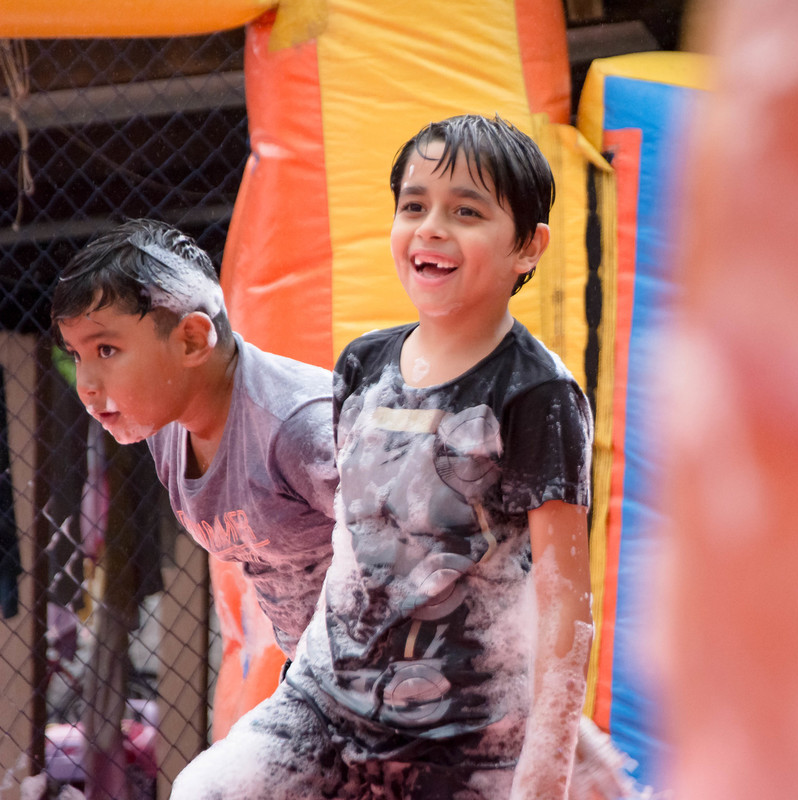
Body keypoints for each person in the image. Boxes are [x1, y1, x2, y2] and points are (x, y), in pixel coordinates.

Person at [170, 114, 596, 800]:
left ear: (528, 247)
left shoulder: (536, 392)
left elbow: (564, 598)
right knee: (208, 791)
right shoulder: (363, 364)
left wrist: (547, 769)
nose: (430, 227)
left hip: (464, 726)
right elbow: (349, 545)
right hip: (332, 702)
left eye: (466, 211)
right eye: (414, 206)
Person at [51, 219, 339, 669]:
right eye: (76, 355)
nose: (85, 384)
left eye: (106, 349)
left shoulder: (299, 427)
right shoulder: (166, 427)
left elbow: (422, 553)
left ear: (192, 341)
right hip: (321, 671)